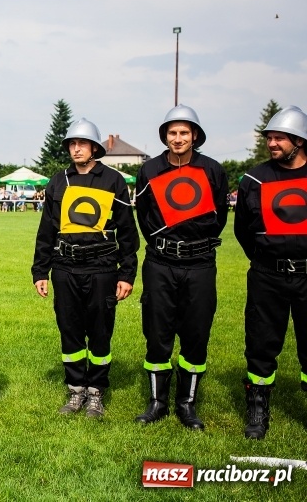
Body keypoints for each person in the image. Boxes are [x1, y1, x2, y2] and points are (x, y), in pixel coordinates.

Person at [31, 118, 139, 418]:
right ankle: (76, 390)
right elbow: (46, 230)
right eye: (72, 144)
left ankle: (96, 392)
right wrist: (40, 271)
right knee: (70, 331)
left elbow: (128, 232)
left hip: (103, 267)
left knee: (101, 331)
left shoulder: (113, 180)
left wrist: (126, 273)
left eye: (82, 144)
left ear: (94, 148)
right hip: (65, 267)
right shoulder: (58, 181)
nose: (76, 149)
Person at [134, 105, 229, 431]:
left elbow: (219, 217)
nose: (178, 138)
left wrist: (194, 244)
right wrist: (164, 245)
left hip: (200, 263)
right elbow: (144, 216)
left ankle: (187, 404)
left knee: (196, 332)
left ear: (195, 136)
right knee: (157, 332)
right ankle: (157, 402)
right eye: (172, 133)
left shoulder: (213, 170)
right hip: (160, 263)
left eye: (184, 133)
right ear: (165, 136)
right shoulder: (149, 170)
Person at [234, 105, 307, 440]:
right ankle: (258, 411)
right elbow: (243, 230)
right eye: (270, 138)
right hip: (267, 275)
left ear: (299, 140)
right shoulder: (254, 178)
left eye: (280, 138)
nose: (273, 143)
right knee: (262, 343)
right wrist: (267, 260)